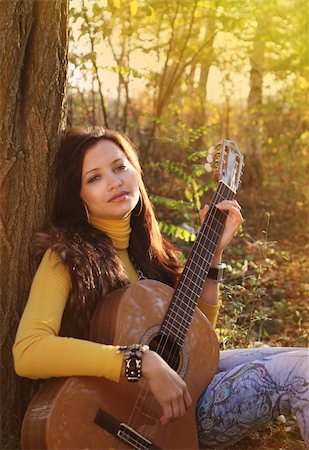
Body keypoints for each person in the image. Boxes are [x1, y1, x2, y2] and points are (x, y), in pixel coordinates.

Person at [13, 127, 309, 448]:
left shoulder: (149, 252)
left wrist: (215, 254)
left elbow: (197, 342)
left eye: (119, 167)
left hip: (182, 400)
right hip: (130, 421)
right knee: (300, 372)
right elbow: (29, 351)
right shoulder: (69, 257)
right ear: (78, 195)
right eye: (94, 178)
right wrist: (141, 362)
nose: (114, 181)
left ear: (135, 173)